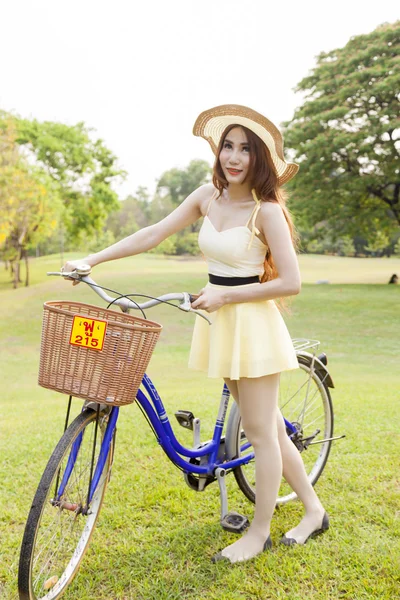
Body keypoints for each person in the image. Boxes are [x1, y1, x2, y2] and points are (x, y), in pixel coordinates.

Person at [63, 104, 329, 564]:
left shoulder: (265, 212)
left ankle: (259, 532)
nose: (235, 156)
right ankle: (313, 511)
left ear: (261, 159)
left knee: (262, 433)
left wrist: (226, 296)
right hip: (221, 323)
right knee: (265, 427)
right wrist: (94, 259)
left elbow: (291, 282)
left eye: (246, 149)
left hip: (252, 324)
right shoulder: (209, 196)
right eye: (229, 145)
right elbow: (154, 232)